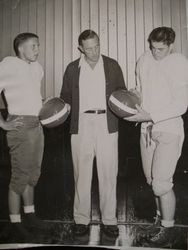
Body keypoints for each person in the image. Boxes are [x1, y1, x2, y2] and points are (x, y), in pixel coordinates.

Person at [124, 26, 188, 247]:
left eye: (161, 49)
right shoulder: (144, 59)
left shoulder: (180, 62)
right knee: (152, 182)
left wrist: (150, 114)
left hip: (168, 128)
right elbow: (141, 89)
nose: (155, 52)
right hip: (146, 128)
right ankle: (160, 220)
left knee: (161, 184)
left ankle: (169, 229)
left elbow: (181, 104)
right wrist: (131, 97)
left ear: (171, 45)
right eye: (152, 47)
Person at [60, 29, 126, 240]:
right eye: (89, 48)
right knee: (82, 174)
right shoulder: (72, 68)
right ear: (81, 48)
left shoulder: (112, 65)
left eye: (96, 46)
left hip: (107, 123)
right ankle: (81, 220)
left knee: (108, 173)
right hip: (81, 125)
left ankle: (109, 221)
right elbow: (65, 98)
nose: (94, 51)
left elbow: (121, 94)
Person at [0, 33, 50, 242]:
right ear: (21, 48)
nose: (37, 49)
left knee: (32, 173)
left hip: (36, 124)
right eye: (33, 46)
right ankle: (15, 224)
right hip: (19, 125)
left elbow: (32, 96)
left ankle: (30, 215)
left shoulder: (37, 68)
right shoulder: (8, 65)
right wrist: (3, 123)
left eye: (38, 45)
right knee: (19, 177)